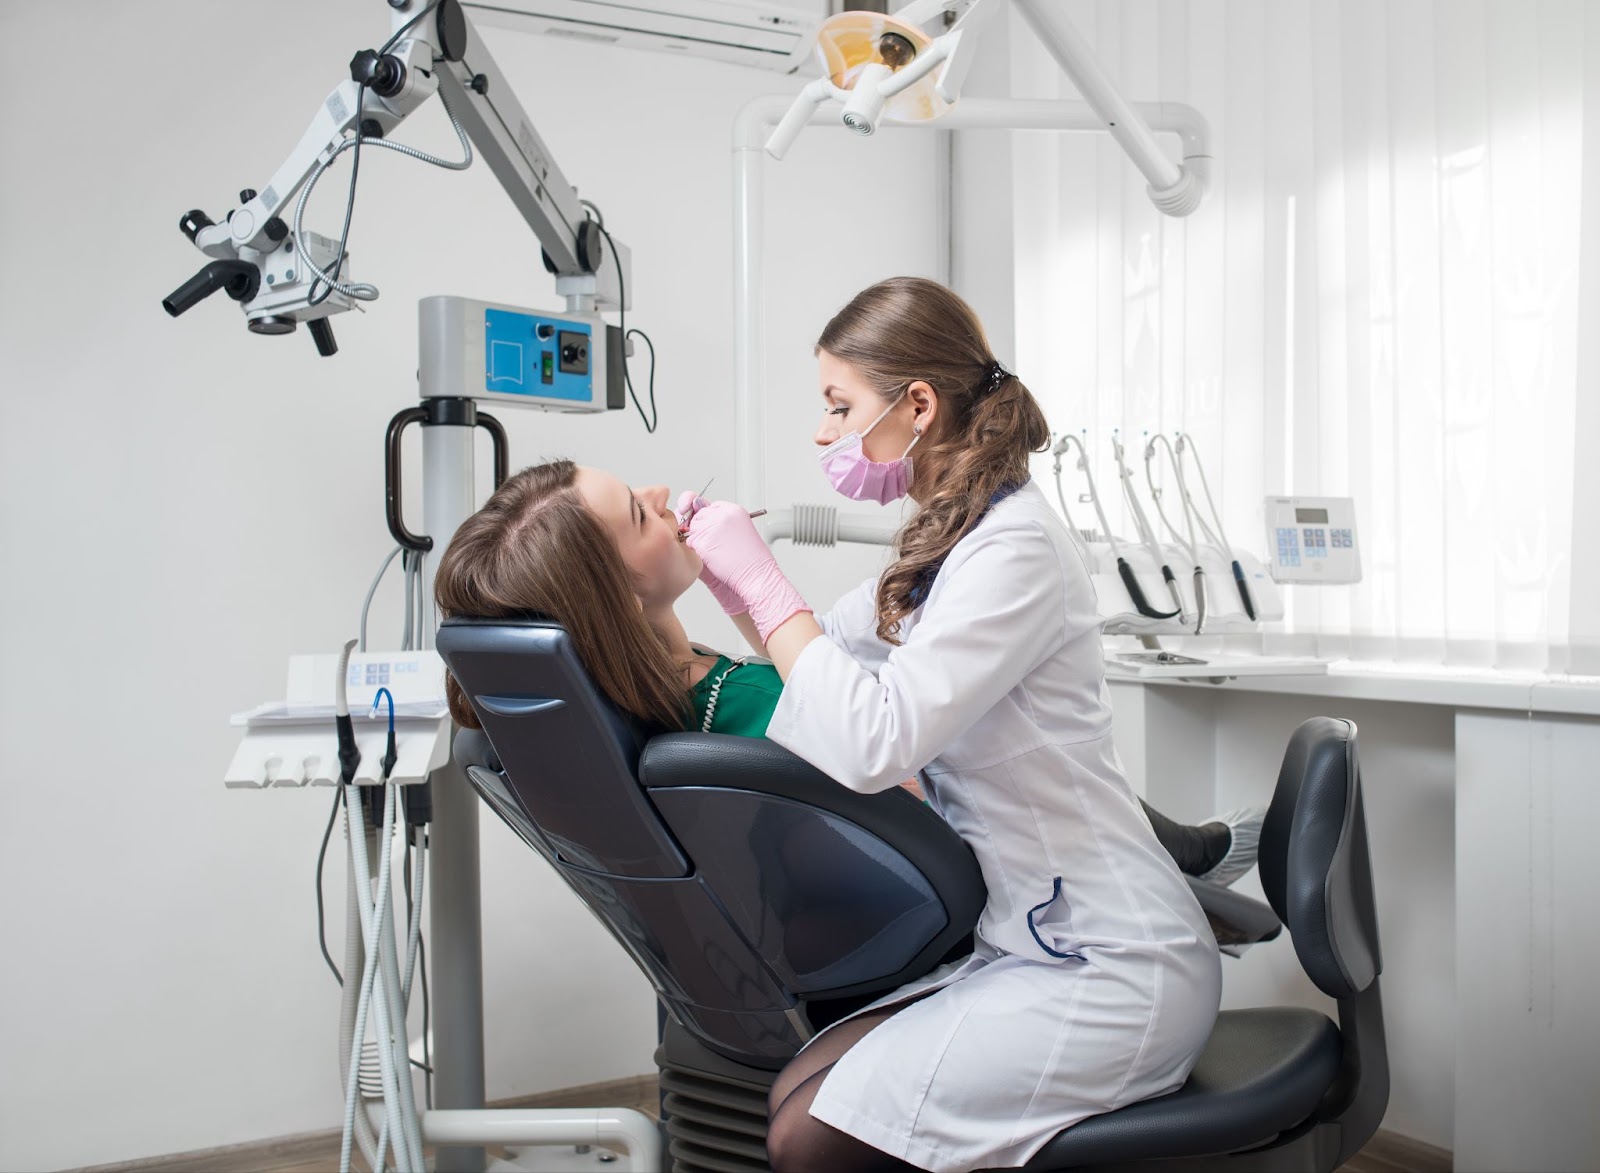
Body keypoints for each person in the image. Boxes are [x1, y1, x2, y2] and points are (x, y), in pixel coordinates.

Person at [674, 277, 1224, 1173]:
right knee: (796, 1093)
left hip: (1114, 964)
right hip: (1029, 939)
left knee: (808, 1138)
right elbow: (823, 661)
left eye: (838, 405)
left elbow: (871, 737)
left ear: (917, 405)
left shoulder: (1014, 548)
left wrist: (764, 585)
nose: (824, 434)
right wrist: (736, 589)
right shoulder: (942, 544)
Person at [434, 459, 1260, 884]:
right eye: (640, 511)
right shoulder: (737, 709)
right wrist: (763, 591)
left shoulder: (660, 700)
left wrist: (759, 607)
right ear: (615, 593)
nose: (662, 491)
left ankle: (1188, 852)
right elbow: (895, 785)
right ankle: (1187, 859)